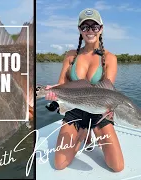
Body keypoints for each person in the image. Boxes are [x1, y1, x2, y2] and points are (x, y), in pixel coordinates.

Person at [45, 8, 124, 172]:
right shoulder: (71, 56)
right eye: (85, 26)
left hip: (99, 113)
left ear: (101, 29)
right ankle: (82, 133)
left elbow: (109, 93)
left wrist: (108, 113)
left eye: (94, 26)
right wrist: (54, 93)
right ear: (79, 30)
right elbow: (61, 85)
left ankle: (92, 129)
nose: (90, 31)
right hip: (74, 110)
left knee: (117, 166)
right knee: (59, 164)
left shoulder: (110, 58)